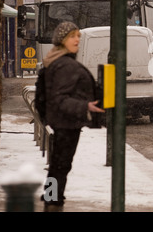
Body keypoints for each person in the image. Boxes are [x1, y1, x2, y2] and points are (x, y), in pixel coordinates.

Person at [41, 21, 105, 212]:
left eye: (78, 35)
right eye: (72, 36)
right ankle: (53, 203)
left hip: (61, 122)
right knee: (60, 167)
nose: (78, 39)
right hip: (66, 124)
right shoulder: (65, 65)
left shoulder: (57, 60)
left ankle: (52, 200)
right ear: (62, 40)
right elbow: (59, 98)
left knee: (57, 167)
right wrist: (84, 106)